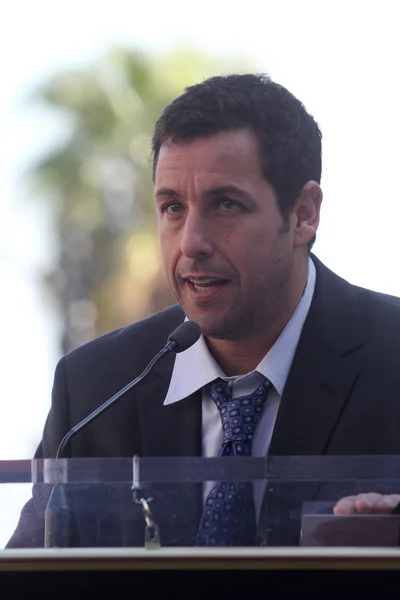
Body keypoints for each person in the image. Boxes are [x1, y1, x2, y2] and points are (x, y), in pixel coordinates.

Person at [7, 73, 400, 548]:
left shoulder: (390, 356)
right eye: (173, 208)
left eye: (226, 204)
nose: (191, 243)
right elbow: (32, 574)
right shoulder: (93, 392)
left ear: (302, 214)